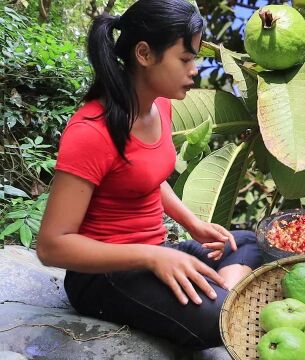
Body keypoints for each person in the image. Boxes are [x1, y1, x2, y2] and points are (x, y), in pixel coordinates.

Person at [36, 0, 262, 349]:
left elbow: (146, 179)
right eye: (185, 59)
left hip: (155, 252)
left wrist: (193, 225)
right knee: (218, 318)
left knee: (247, 243)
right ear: (144, 54)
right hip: (102, 276)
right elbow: (52, 246)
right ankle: (223, 305)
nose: (194, 69)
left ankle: (223, 299)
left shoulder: (160, 104)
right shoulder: (91, 131)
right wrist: (152, 256)